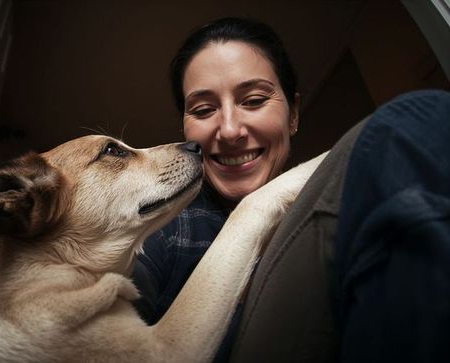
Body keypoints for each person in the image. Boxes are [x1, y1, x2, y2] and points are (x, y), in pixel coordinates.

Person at [132, 16, 450, 363]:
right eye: (204, 109)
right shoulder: (165, 230)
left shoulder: (359, 199)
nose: (229, 130)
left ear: (294, 114)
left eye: (253, 100)